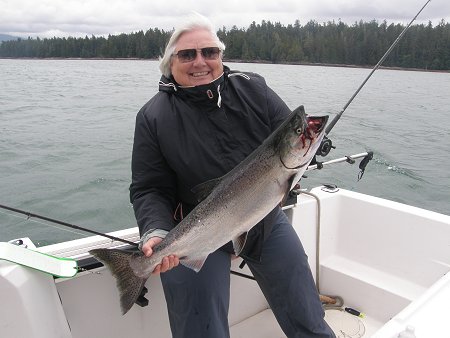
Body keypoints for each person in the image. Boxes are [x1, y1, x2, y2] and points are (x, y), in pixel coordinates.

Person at [129, 12, 335, 338]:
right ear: (170, 62)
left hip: (262, 218)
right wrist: (155, 231)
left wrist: (313, 143)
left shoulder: (253, 89)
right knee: (200, 329)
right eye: (188, 54)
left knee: (307, 311)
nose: (200, 62)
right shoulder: (153, 116)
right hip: (196, 228)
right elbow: (149, 188)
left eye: (209, 52)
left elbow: (289, 137)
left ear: (221, 56)